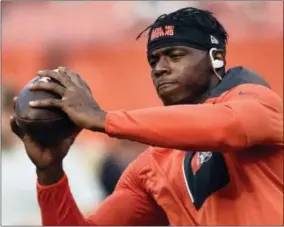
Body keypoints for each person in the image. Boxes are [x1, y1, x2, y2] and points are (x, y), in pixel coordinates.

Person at [10, 7, 283, 226]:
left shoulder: (258, 102)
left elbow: (226, 127)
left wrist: (103, 119)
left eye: (175, 55)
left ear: (217, 58)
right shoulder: (150, 167)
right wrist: (50, 173)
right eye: (154, 61)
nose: (160, 69)